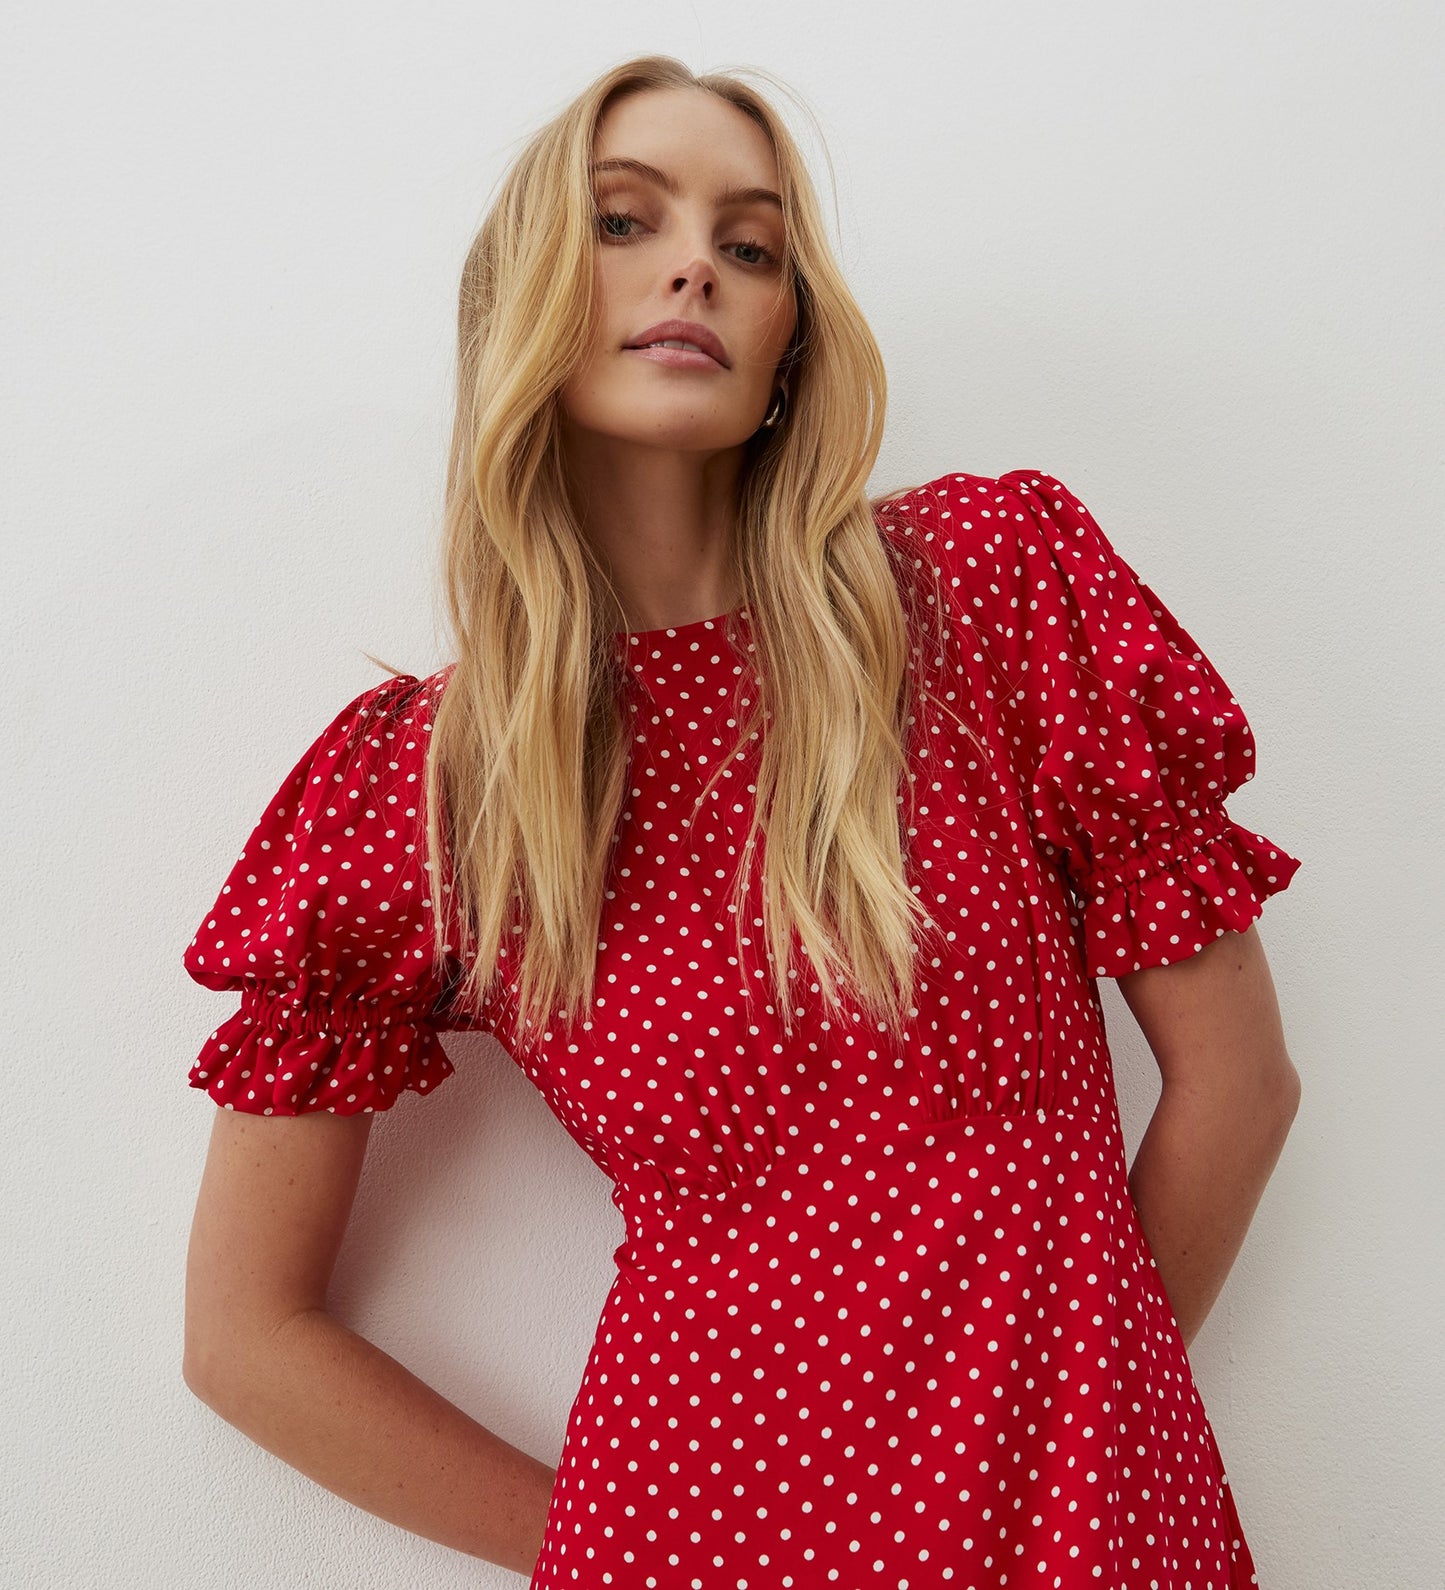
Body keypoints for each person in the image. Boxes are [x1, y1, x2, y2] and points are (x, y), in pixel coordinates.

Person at [180, 53, 1303, 1587]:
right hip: (704, 1527)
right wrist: (619, 1548)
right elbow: (245, 1337)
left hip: (1088, 1524)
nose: (694, 260)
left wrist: (1082, 1430)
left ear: (786, 341)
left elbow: (1237, 1088)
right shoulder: (429, 784)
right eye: (624, 219)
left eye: (751, 243)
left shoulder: (984, 591)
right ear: (523, 302)